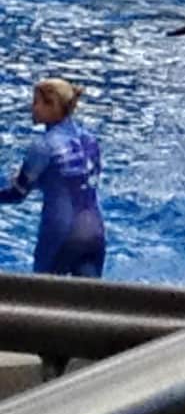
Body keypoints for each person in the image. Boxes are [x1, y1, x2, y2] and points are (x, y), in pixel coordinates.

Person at [0, 79, 105, 277]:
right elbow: (76, 179)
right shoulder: (90, 140)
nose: (32, 108)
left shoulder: (43, 146)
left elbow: (16, 194)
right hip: (95, 232)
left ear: (51, 105)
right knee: (90, 302)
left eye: (36, 102)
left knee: (42, 300)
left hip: (61, 233)